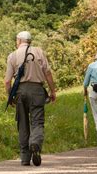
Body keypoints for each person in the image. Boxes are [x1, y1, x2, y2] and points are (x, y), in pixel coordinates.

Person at [4, 31, 57, 166]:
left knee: (22, 123)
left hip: (21, 92)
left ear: (19, 41)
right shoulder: (39, 52)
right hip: (37, 91)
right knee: (37, 121)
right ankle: (35, 143)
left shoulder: (13, 56)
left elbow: (7, 81)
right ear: (29, 41)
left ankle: (25, 157)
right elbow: (48, 73)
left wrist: (10, 96)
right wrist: (52, 91)